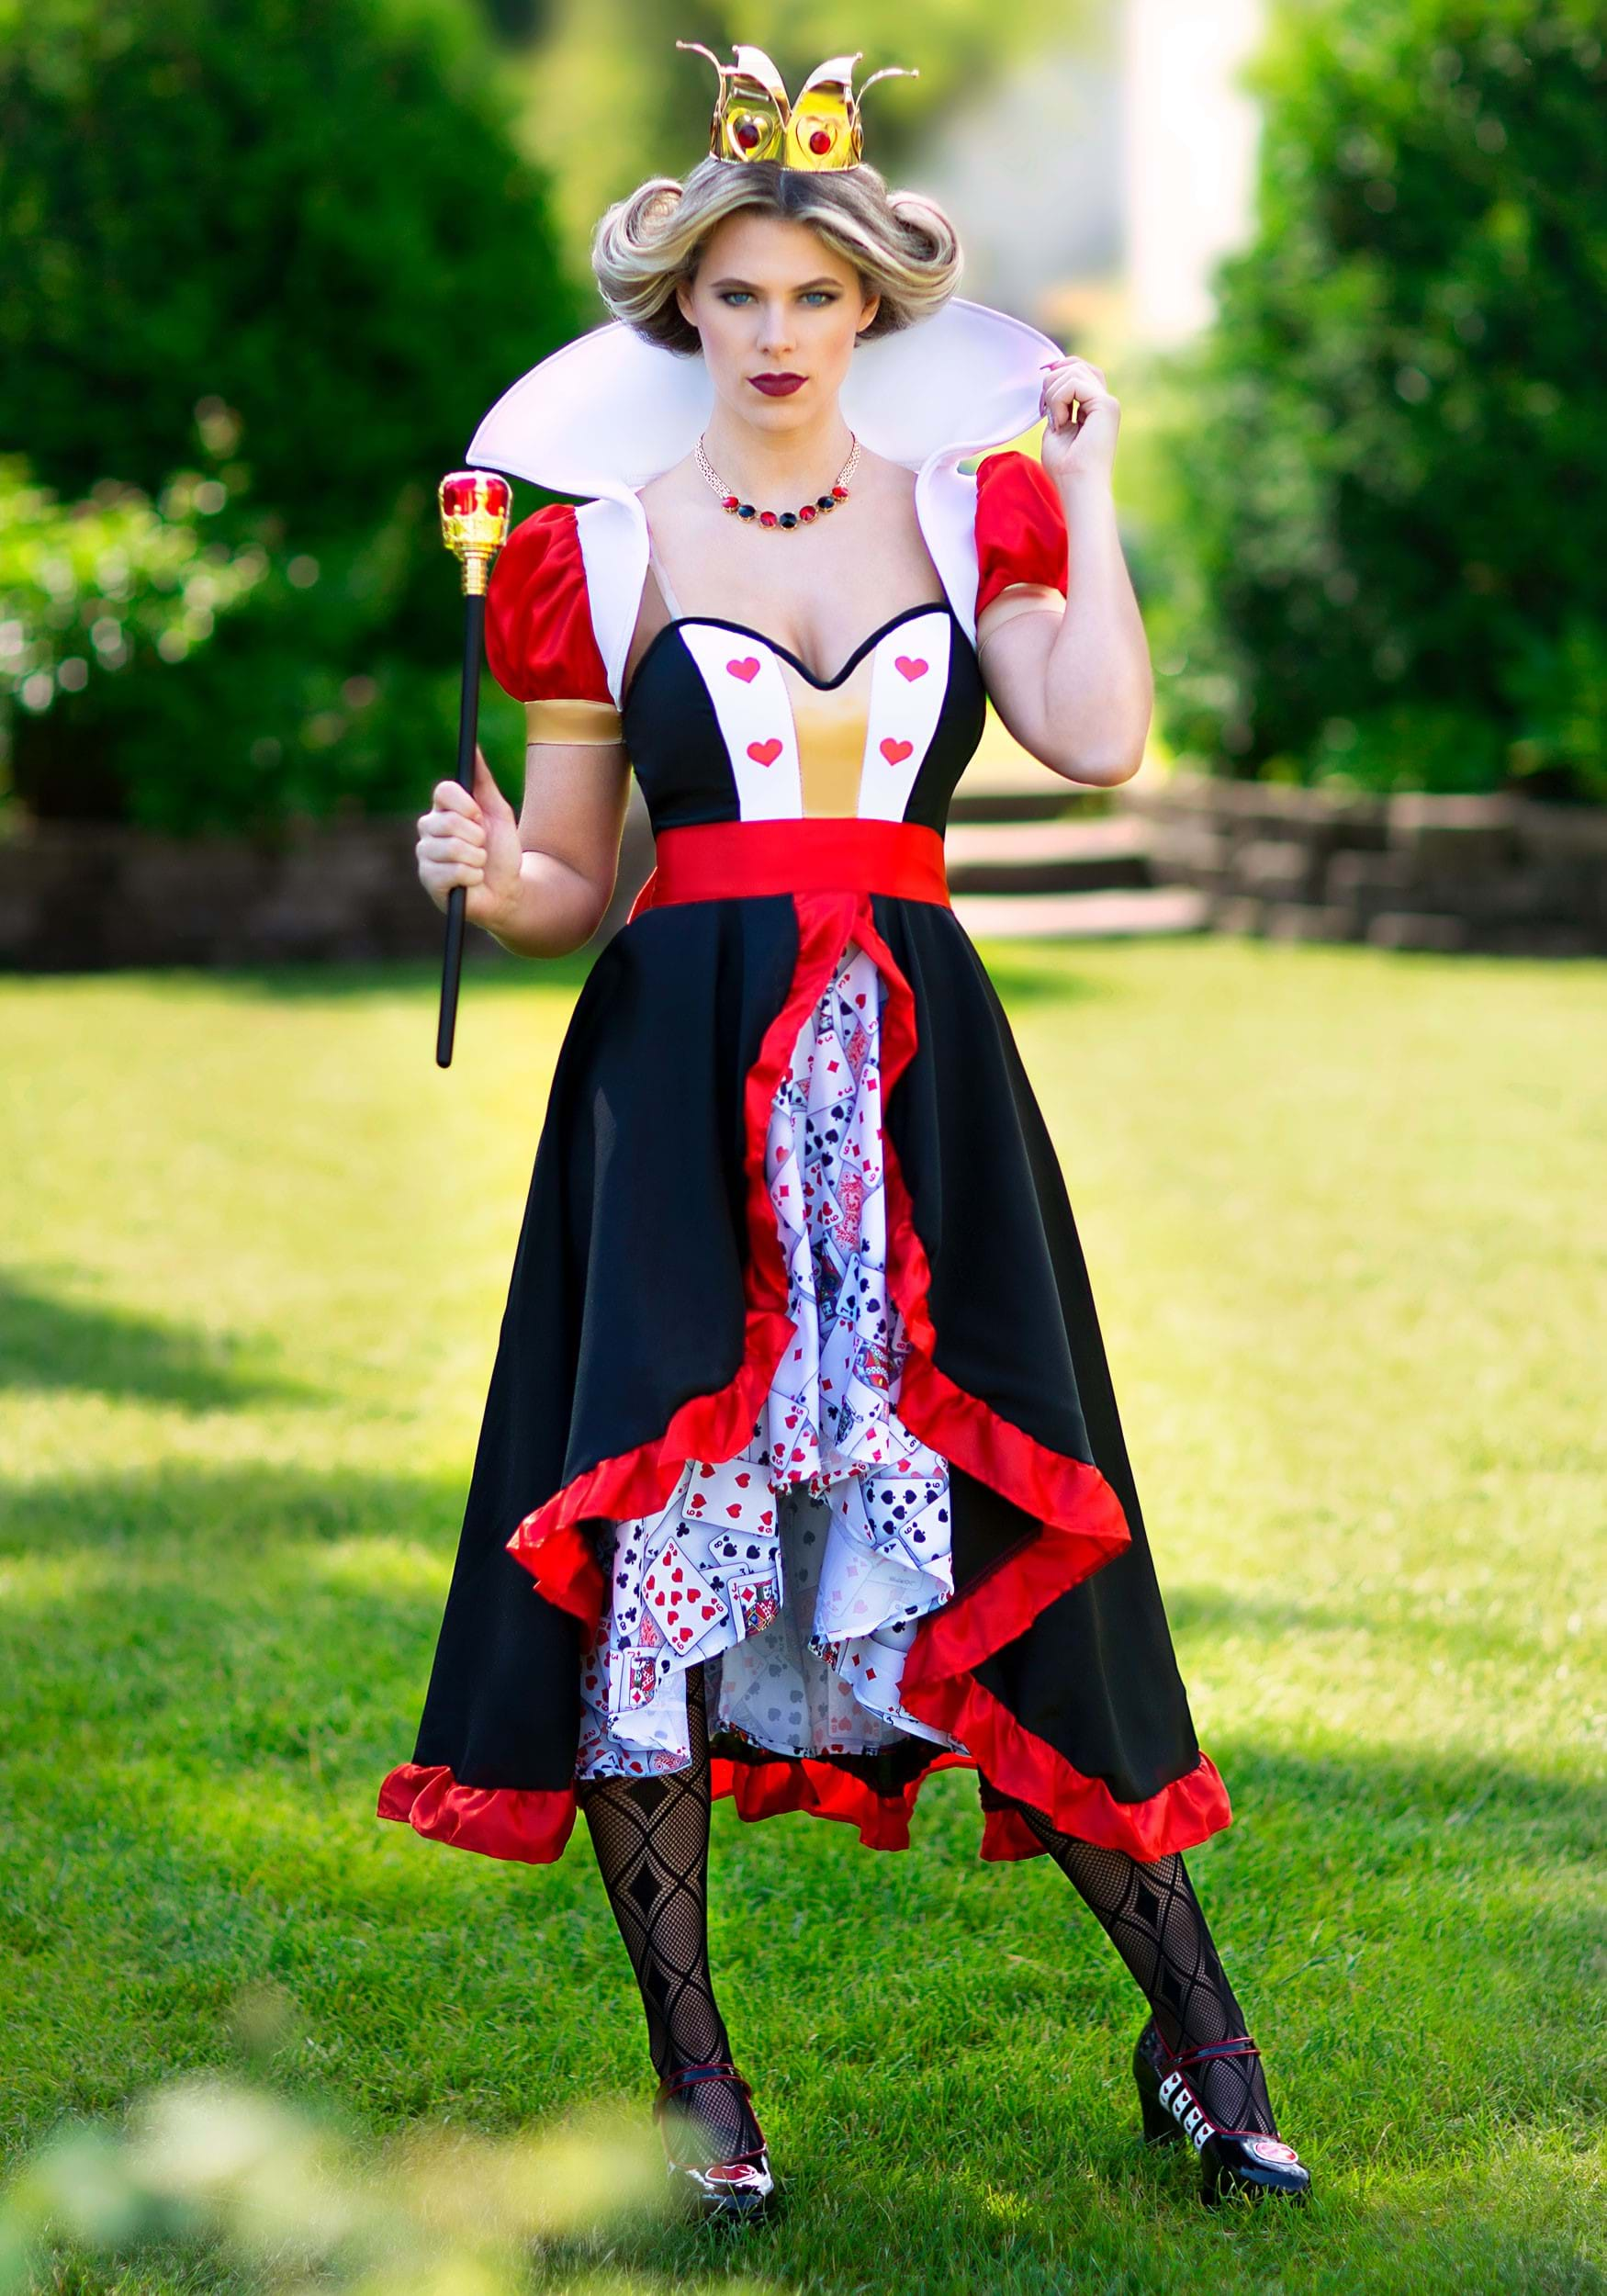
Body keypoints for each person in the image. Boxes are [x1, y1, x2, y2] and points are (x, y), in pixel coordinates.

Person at [386, 40, 1310, 2223]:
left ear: (867, 310)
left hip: (911, 1081)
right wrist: (482, 862)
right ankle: (696, 2081)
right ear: (679, 316)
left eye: (812, 296)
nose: (776, 332)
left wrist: (1082, 489)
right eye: (736, 299)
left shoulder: (966, 507)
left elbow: (1091, 738)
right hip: (677, 1087)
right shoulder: (587, 559)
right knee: (664, 1569)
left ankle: (1198, 2042)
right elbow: (561, 891)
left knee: (994, 1510)